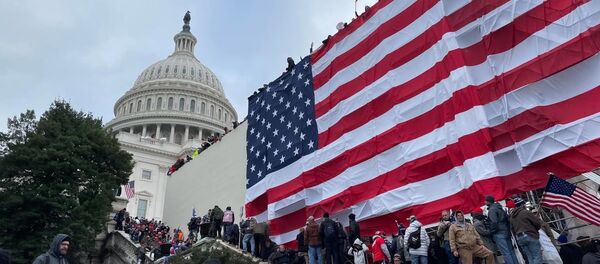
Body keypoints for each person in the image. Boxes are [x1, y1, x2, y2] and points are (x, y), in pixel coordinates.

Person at [485, 195, 519, 264]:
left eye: (485, 201)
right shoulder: (500, 208)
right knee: (511, 251)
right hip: (506, 231)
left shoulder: (492, 210)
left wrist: (492, 231)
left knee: (505, 253)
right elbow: (507, 218)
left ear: (488, 201)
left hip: (499, 233)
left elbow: (494, 222)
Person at [510, 197, 542, 264]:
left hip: (520, 238)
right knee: (536, 256)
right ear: (522, 205)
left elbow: (512, 230)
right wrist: (535, 231)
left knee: (530, 257)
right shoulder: (526, 212)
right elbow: (537, 223)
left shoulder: (512, 217)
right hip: (530, 235)